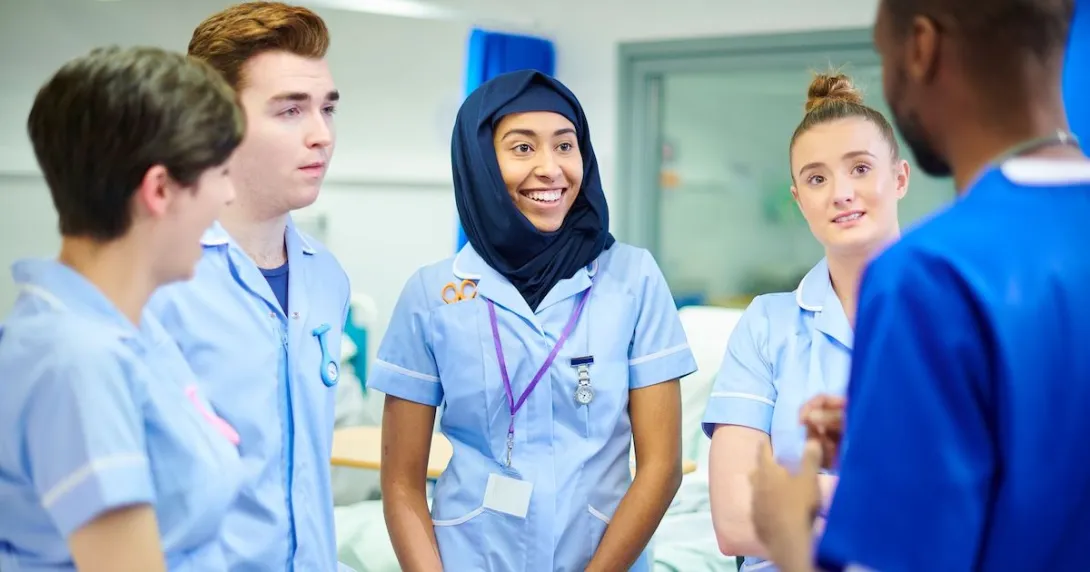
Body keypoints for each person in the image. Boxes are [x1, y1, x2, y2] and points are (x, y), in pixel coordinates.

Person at [747, 0, 1090, 570]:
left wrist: (787, 533)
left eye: (884, 54)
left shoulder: (928, 274)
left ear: (922, 49)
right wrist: (909, 429)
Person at [372, 69, 696, 572]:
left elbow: (661, 468)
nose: (550, 168)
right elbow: (400, 483)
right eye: (522, 148)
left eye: (565, 146)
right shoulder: (432, 295)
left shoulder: (633, 279)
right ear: (480, 163)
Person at [0, 46, 243, 571]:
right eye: (222, 172)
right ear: (160, 190)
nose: (228, 195)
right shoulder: (75, 360)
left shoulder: (126, 331)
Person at [146, 2, 351, 570]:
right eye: (291, 111)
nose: (322, 136)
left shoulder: (326, 277)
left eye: (328, 109)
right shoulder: (156, 283)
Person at [701, 71, 909, 572]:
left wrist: (803, 492)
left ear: (900, 178)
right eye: (817, 178)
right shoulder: (766, 324)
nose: (841, 193)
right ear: (798, 199)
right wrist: (890, 501)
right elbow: (734, 521)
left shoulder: (951, 311)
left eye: (860, 168)